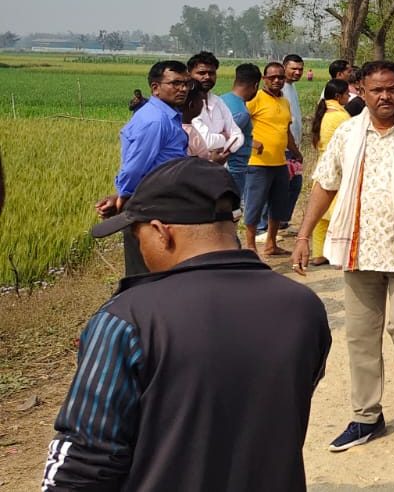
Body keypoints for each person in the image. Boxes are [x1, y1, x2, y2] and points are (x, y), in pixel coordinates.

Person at [51, 158, 329, 491]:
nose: (140, 249)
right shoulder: (305, 308)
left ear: (161, 232)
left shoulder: (127, 320)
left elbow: (83, 461)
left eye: (138, 236)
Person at [293, 60, 394, 451]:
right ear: (362, 93)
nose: (385, 96)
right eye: (377, 90)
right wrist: (302, 235)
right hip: (358, 249)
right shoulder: (348, 133)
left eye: (392, 89)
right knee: (361, 338)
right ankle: (366, 416)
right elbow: (325, 184)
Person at [97, 60, 190, 277]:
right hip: (150, 204)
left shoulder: (165, 115)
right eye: (175, 83)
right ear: (155, 88)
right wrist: (124, 196)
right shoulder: (155, 120)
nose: (183, 89)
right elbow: (135, 167)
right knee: (147, 271)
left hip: (159, 200)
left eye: (186, 83)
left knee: (158, 268)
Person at [243, 62, 298, 257]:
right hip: (258, 163)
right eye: (272, 77)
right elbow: (237, 125)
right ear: (264, 79)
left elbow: (286, 131)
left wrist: (296, 151)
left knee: (278, 205)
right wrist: (252, 142)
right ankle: (250, 246)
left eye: (280, 77)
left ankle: (271, 244)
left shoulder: (284, 101)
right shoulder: (255, 99)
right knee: (254, 205)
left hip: (280, 162)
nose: (277, 80)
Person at [308, 79, 352, 268]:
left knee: (320, 215)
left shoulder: (323, 113)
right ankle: (339, 254)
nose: (349, 97)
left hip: (321, 167)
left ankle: (318, 254)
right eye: (347, 94)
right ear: (338, 96)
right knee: (339, 213)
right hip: (338, 169)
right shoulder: (341, 116)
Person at [184, 52, 245, 163]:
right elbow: (206, 142)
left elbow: (238, 136)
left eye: (211, 73)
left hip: (219, 166)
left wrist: (222, 152)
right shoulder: (187, 104)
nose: (207, 77)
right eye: (201, 73)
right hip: (195, 167)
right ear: (189, 75)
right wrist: (225, 137)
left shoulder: (218, 101)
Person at [220, 62, 260, 203]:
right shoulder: (242, 113)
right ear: (255, 86)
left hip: (223, 167)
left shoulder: (222, 99)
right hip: (233, 169)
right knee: (232, 207)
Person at [277, 54, 306, 230]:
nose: (297, 72)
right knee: (283, 187)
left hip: (293, 147)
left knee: (294, 185)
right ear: (284, 67)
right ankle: (269, 225)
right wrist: (294, 149)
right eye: (293, 68)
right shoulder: (280, 90)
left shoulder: (292, 88)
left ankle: (282, 221)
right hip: (284, 148)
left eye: (300, 69)